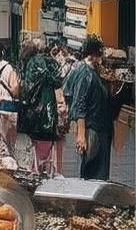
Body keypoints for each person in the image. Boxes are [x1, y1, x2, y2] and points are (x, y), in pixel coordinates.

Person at [69, 34, 116, 181]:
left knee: (98, 170)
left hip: (101, 127)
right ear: (94, 54)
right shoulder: (85, 72)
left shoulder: (92, 71)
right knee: (93, 170)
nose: (102, 57)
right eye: (100, 53)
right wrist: (81, 135)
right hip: (93, 128)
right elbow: (79, 104)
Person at [17, 38, 66, 175]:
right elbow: (58, 83)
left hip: (33, 113)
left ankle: (35, 171)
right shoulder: (52, 63)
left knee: (37, 146)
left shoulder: (29, 63)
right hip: (48, 113)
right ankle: (45, 171)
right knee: (47, 147)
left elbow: (26, 88)